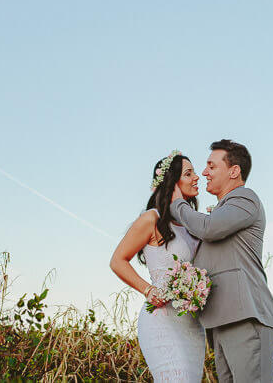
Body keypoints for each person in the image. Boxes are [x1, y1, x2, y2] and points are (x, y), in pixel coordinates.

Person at [170, 139, 273, 383]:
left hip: (245, 317)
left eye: (211, 166)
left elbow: (209, 228)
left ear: (234, 171)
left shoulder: (245, 199)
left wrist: (178, 204)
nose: (204, 172)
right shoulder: (222, 210)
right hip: (220, 321)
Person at [110, 150, 206, 382]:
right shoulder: (150, 219)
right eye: (188, 173)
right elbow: (117, 261)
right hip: (162, 319)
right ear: (172, 181)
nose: (197, 177)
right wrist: (148, 290)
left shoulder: (193, 222)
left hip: (192, 325)